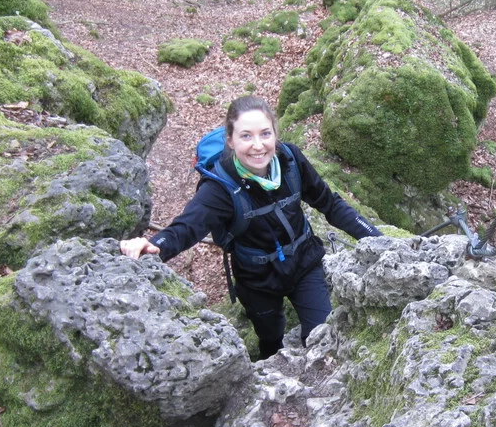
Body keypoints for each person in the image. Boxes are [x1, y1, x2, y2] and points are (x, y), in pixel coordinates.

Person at [119, 96, 382, 360]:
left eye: (265, 134)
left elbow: (330, 204)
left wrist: (379, 240)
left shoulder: (291, 161)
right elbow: (188, 226)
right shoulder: (220, 188)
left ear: (275, 135)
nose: (258, 146)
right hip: (257, 280)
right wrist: (155, 246)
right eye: (246, 136)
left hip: (304, 263)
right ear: (231, 141)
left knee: (323, 337)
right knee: (270, 340)